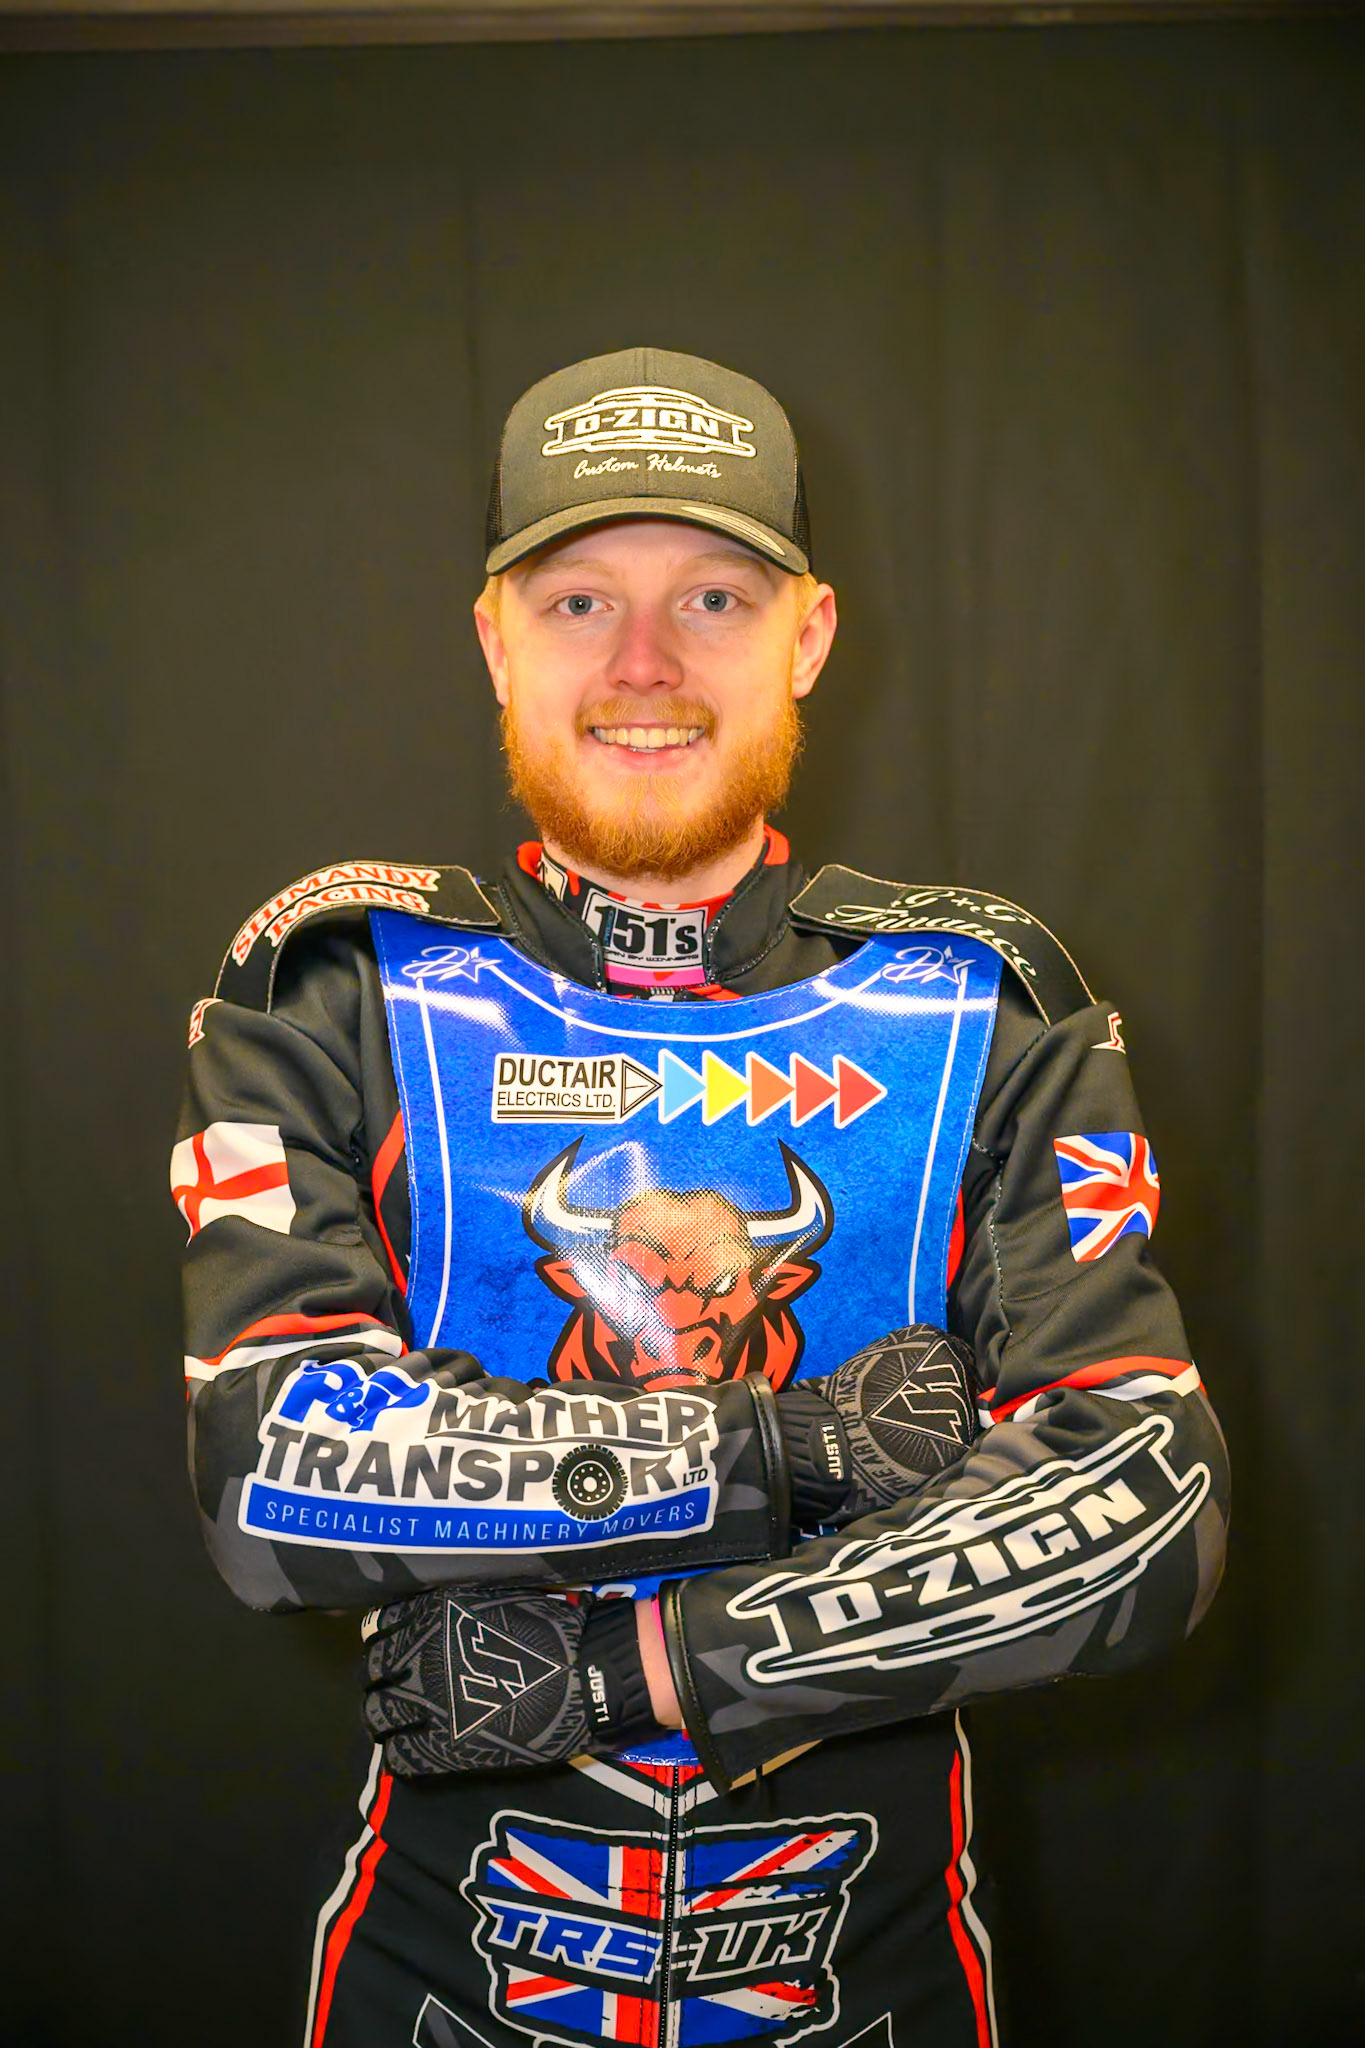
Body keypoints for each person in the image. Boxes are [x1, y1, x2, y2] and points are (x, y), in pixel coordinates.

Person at [173, 347, 1228, 2048]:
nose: (644, 665)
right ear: (495, 640)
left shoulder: (986, 1002)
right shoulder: (336, 982)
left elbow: (1147, 1501)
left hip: (871, 1979)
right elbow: (270, 1476)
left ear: (808, 637)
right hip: (440, 1981)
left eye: (715, 598)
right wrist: (794, 1453)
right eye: (579, 600)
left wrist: (639, 1670)